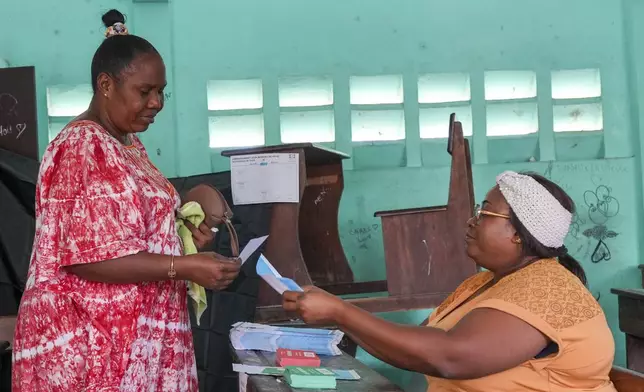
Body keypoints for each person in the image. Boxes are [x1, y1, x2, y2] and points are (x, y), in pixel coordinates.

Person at [11, 9, 240, 391]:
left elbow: (134, 232)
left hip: (133, 340)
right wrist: (183, 266)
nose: (157, 103)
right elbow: (88, 259)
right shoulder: (82, 147)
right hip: (93, 345)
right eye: (145, 91)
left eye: (161, 91)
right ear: (106, 85)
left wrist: (185, 237)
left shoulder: (128, 145)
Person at [283, 171, 617, 392]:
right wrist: (335, 314)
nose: (472, 221)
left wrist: (341, 313)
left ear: (518, 233)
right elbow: (417, 347)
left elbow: (450, 357)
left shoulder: (548, 289)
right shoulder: (480, 284)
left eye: (485, 213)